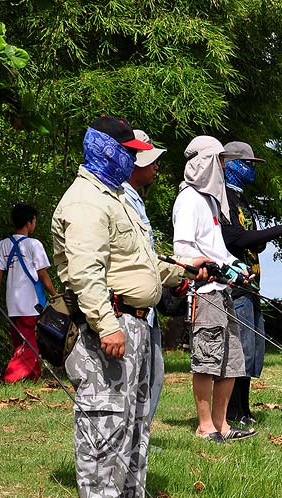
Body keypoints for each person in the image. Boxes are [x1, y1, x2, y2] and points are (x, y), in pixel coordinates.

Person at [53, 116, 211, 498]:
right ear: (105, 150)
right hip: (112, 322)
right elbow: (87, 273)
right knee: (105, 414)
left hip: (140, 323)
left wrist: (186, 273)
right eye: (128, 153)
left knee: (136, 416)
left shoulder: (117, 197)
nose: (133, 161)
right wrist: (106, 325)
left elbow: (137, 265)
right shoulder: (87, 201)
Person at [219, 141, 282, 426]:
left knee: (253, 350)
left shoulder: (244, 200)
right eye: (247, 164)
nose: (251, 170)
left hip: (253, 285)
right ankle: (233, 411)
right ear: (230, 164)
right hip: (234, 286)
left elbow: (254, 243)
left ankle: (244, 410)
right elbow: (235, 238)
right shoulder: (223, 200)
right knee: (239, 351)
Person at [172, 135, 254, 442]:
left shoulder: (210, 201)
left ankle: (222, 425)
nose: (222, 167)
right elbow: (182, 251)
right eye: (218, 160)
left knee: (232, 360)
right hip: (203, 294)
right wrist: (205, 265)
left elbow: (218, 248)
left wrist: (236, 265)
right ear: (204, 163)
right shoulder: (189, 199)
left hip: (224, 292)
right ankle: (204, 426)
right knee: (207, 360)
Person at [122, 130, 166, 421]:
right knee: (131, 385)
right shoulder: (120, 199)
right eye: (150, 161)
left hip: (147, 311)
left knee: (153, 377)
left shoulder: (135, 199)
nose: (156, 167)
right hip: (127, 312)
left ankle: (139, 439)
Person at [0, 203, 57, 383]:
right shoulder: (34, 244)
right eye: (34, 220)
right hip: (31, 303)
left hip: (12, 303)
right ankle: (11, 377)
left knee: (21, 341)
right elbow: (43, 275)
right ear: (29, 222)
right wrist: (56, 295)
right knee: (31, 343)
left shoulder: (3, 245)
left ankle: (33, 376)